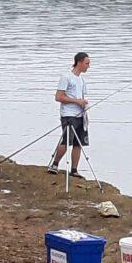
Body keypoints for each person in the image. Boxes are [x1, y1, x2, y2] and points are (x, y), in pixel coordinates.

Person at [50, 50, 92, 179]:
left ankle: (74, 170)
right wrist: (77, 101)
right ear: (79, 62)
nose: (88, 66)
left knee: (78, 143)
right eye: (86, 63)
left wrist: (83, 105)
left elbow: (81, 97)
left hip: (80, 115)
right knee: (66, 141)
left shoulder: (82, 80)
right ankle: (54, 164)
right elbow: (58, 97)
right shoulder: (66, 77)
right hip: (69, 115)